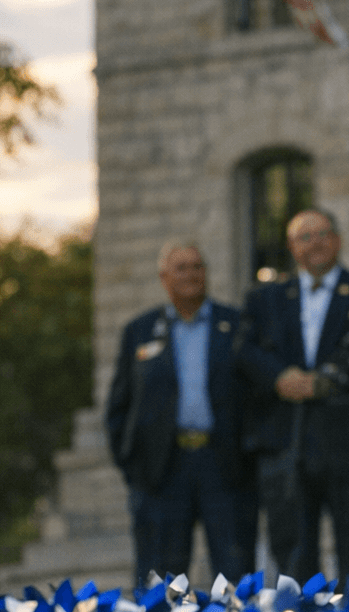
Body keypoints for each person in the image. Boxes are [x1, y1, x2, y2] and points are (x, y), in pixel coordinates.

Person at [237, 209, 349, 584]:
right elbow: (245, 352)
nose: (316, 243)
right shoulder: (265, 299)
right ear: (292, 247)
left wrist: (326, 380)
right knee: (293, 559)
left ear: (338, 240)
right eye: (304, 237)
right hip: (286, 445)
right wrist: (280, 377)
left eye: (323, 233)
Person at [105, 240, 251, 585]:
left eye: (198, 267)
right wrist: (133, 467)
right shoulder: (138, 332)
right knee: (161, 580)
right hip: (162, 471)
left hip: (224, 466)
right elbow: (119, 405)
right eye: (181, 268)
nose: (191, 275)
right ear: (163, 277)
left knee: (235, 577)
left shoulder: (236, 325)